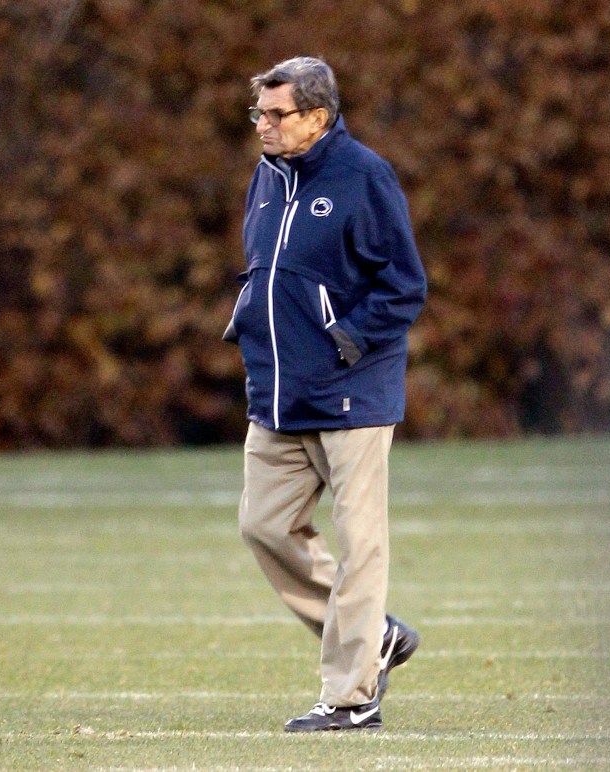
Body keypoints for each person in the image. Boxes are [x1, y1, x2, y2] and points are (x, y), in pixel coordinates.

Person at [223, 56, 427, 732]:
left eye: (277, 113)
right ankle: (376, 638)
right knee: (263, 526)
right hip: (277, 392)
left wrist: (347, 341)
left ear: (318, 115)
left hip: (351, 392)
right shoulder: (266, 176)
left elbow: (403, 286)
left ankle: (351, 698)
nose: (263, 125)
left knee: (362, 544)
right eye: (259, 112)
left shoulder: (363, 176)